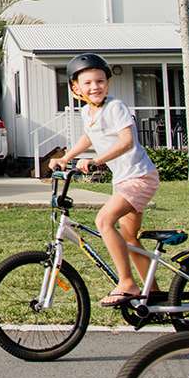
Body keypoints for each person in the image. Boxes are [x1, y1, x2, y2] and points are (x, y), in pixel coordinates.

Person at [47, 53, 159, 307]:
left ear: (107, 83)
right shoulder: (88, 112)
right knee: (129, 237)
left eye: (100, 81)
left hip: (139, 177)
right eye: (87, 83)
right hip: (124, 179)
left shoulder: (115, 107)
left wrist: (96, 161)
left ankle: (127, 284)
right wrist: (67, 157)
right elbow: (90, 137)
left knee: (103, 220)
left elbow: (127, 141)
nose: (94, 87)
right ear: (76, 88)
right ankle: (152, 292)